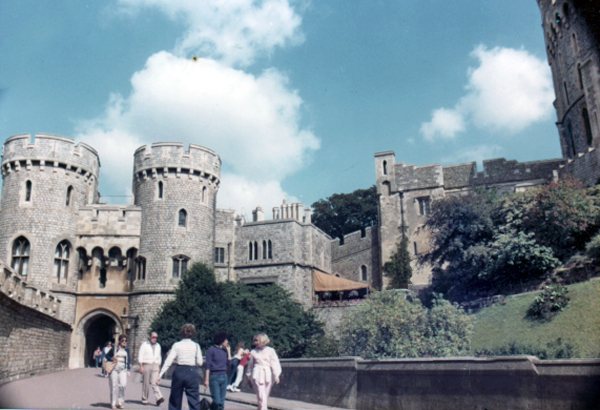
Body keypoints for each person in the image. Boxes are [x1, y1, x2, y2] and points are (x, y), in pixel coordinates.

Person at [157, 324, 203, 410]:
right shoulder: (196, 346)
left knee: (175, 398)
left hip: (179, 371)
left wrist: (160, 374)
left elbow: (168, 361)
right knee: (194, 399)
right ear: (193, 333)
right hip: (191, 371)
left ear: (182, 333)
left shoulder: (177, 345)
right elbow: (200, 362)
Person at [246, 333, 281, 410]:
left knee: (264, 396)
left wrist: (276, 375)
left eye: (256, 341)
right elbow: (250, 365)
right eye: (254, 341)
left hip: (268, 375)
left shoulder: (271, 350)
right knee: (261, 396)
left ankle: (260, 408)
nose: (255, 343)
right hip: (257, 374)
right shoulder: (253, 351)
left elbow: (274, 363)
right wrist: (248, 376)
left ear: (262, 341)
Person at [204, 331, 232, 410]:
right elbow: (208, 365)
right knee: (216, 401)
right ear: (221, 340)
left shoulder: (224, 351)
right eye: (226, 340)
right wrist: (206, 380)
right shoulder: (211, 350)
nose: (227, 341)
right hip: (214, 377)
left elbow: (229, 363)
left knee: (221, 403)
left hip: (224, 377)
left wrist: (228, 351)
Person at [104, 335, 131, 409]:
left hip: (123, 370)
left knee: (123, 385)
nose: (124, 342)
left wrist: (128, 370)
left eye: (125, 341)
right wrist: (112, 358)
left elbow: (128, 361)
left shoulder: (127, 350)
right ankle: (113, 403)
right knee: (113, 386)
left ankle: (120, 401)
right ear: (119, 341)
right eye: (122, 340)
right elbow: (107, 356)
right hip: (114, 369)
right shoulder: (114, 349)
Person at [138, 332, 164, 406]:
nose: (154, 339)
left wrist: (159, 367)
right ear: (149, 337)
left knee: (154, 382)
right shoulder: (144, 345)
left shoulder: (158, 345)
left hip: (155, 365)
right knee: (146, 383)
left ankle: (159, 397)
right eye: (153, 337)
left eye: (156, 337)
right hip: (147, 364)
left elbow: (159, 356)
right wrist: (141, 366)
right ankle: (145, 398)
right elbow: (141, 354)